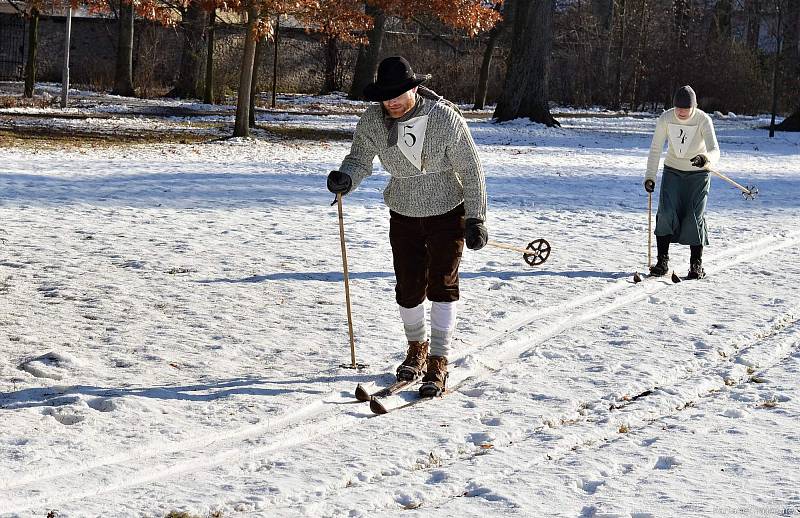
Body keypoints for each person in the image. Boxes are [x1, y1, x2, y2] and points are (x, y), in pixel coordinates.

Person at [327, 56, 488, 397]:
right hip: (403, 211)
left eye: (399, 94)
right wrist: (346, 177)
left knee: (442, 283)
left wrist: (475, 218)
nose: (393, 101)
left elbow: (472, 171)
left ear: (415, 87)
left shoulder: (444, 118)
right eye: (386, 96)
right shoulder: (372, 121)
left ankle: (439, 360)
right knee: (408, 286)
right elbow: (359, 160)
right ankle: (417, 349)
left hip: (447, 210)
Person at [644, 85, 720, 279]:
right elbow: (655, 149)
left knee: (694, 215)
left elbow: (715, 150)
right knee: (667, 212)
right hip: (673, 172)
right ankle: (662, 261)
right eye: (678, 109)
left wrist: (706, 159)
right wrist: (650, 176)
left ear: (694, 107)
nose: (681, 113)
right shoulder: (666, 118)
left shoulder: (703, 119)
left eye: (685, 109)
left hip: (698, 175)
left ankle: (696, 264)